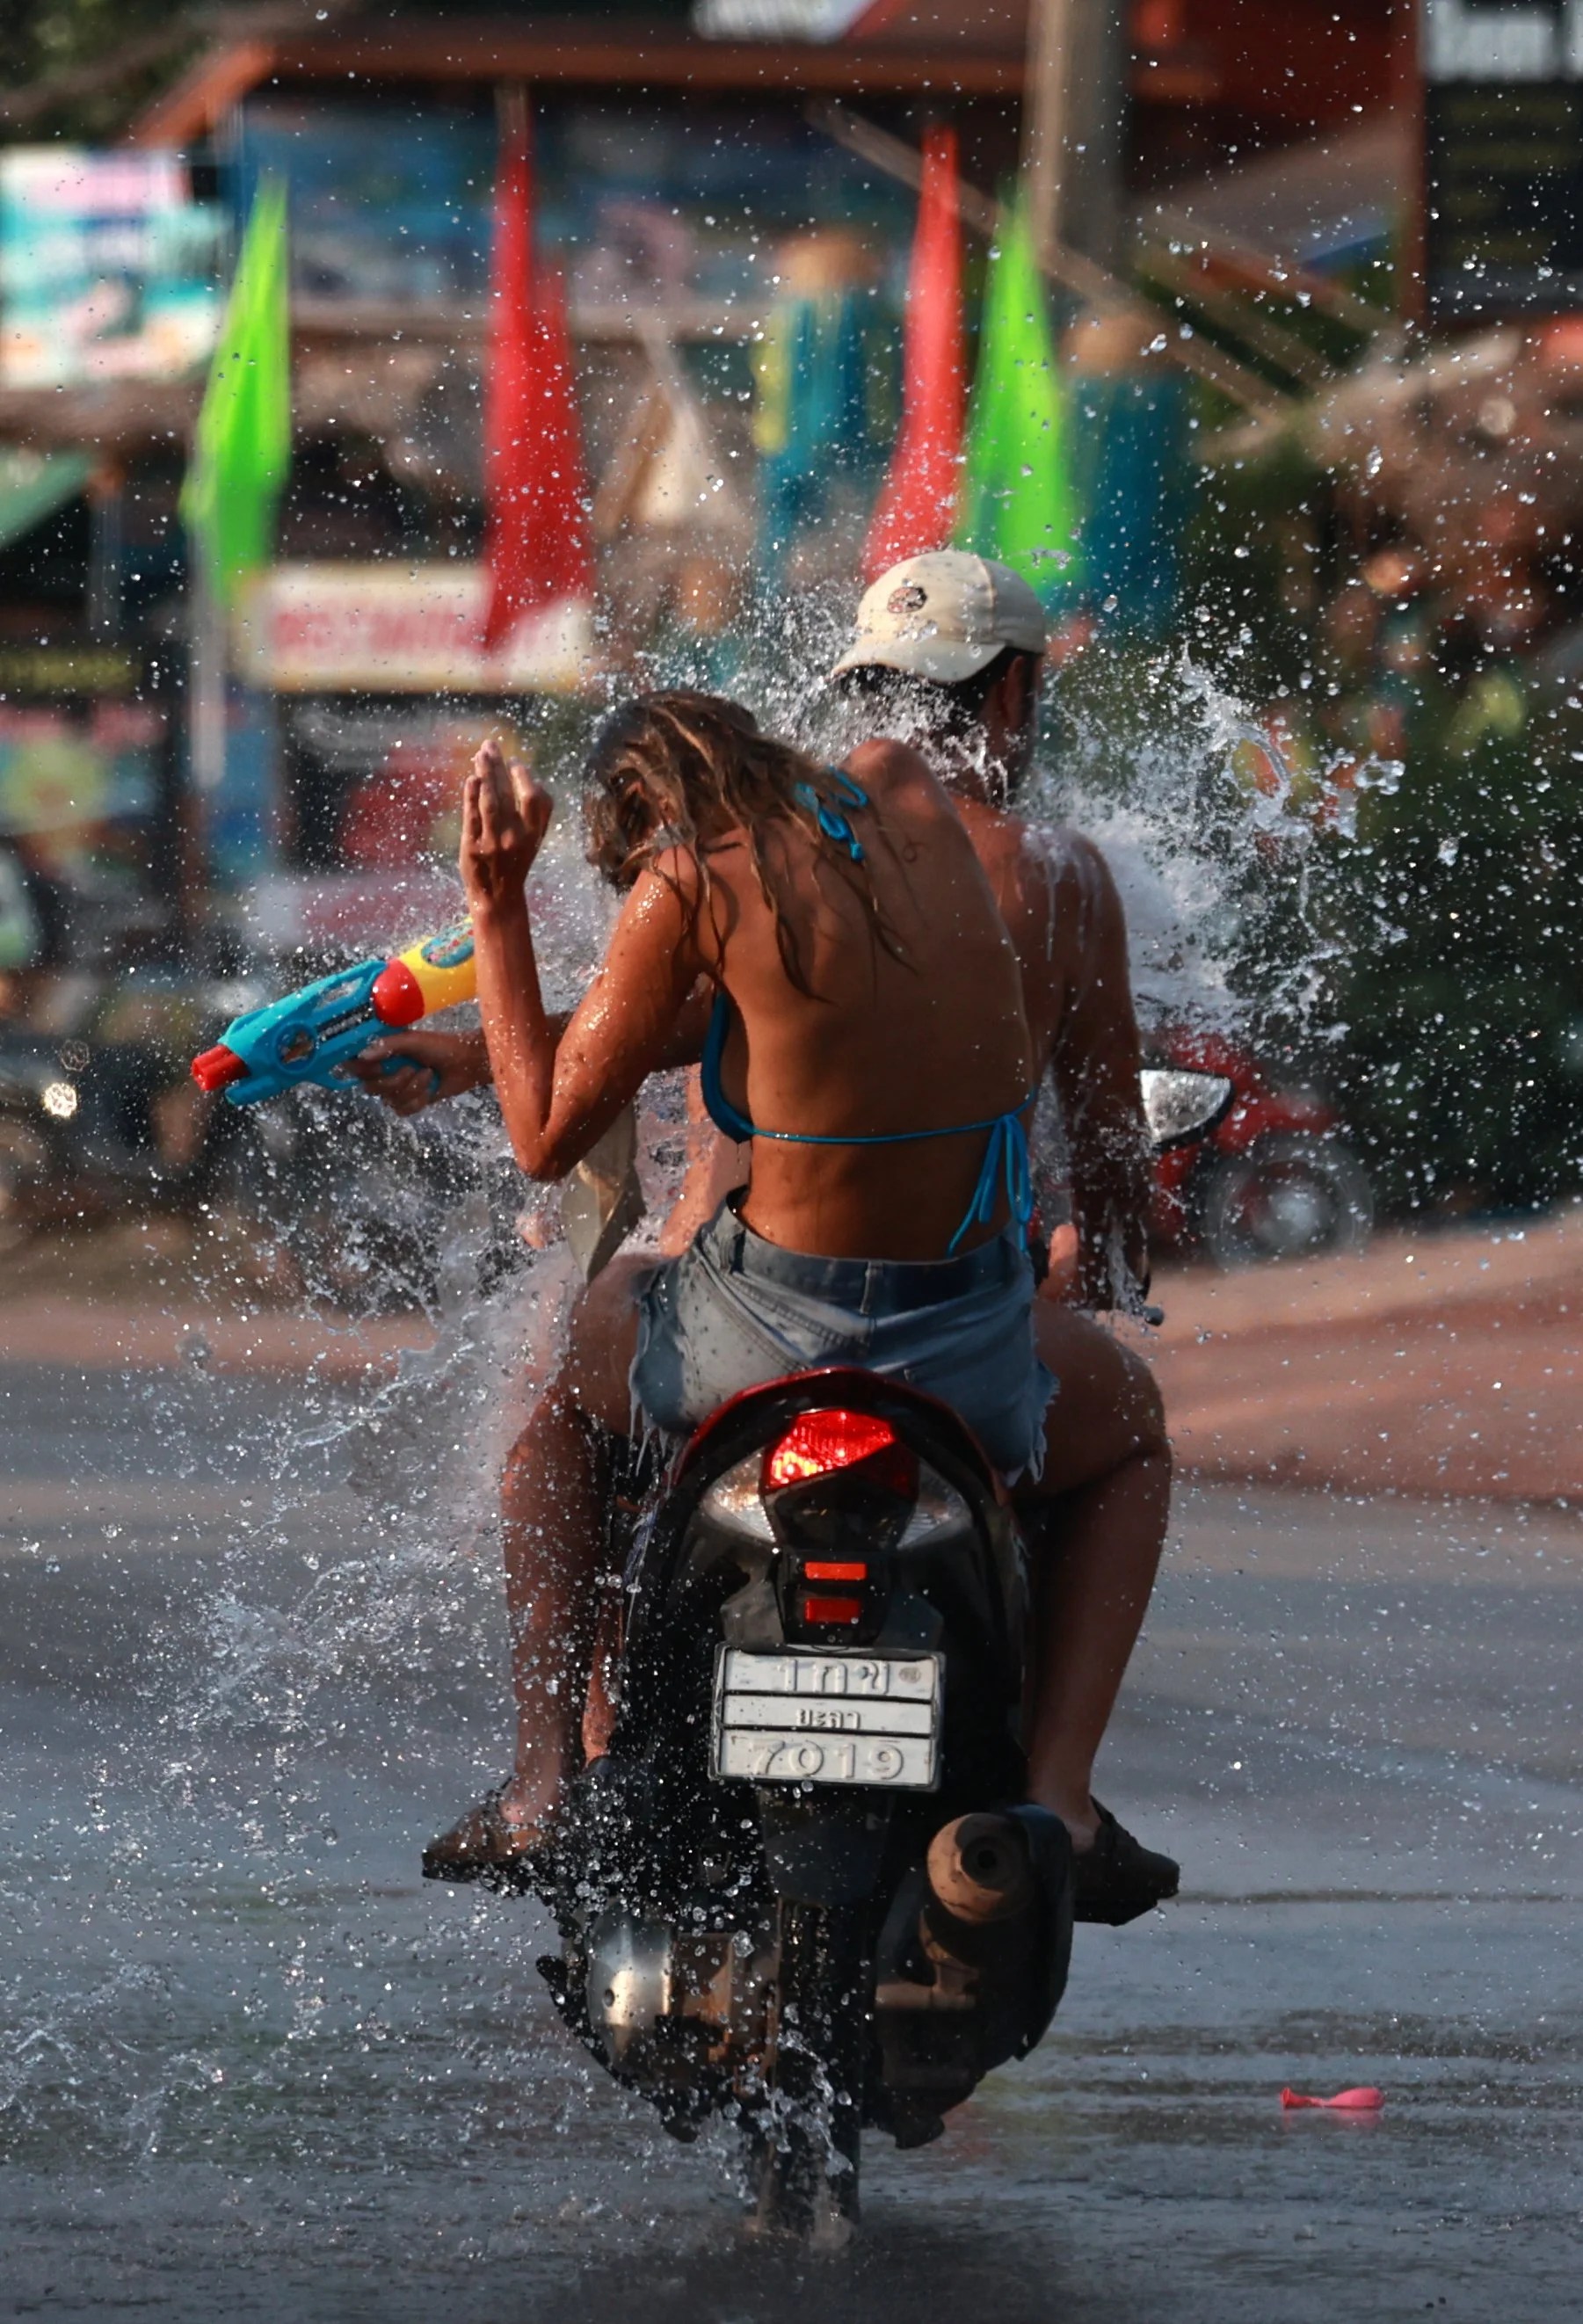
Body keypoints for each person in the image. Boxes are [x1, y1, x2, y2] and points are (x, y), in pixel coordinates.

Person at [367, 558, 1175, 1925]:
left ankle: (544, 1783)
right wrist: (1105, 1259)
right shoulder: (1021, 872)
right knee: (1133, 1432)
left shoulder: (710, 873)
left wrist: (496, 908)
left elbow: (549, 1137)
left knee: (562, 1409)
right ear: (1014, 690)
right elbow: (1104, 1159)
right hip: (966, 1357)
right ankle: (1062, 1795)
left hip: (754, 1345)